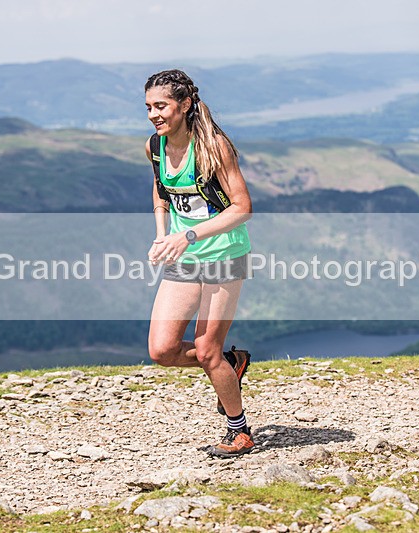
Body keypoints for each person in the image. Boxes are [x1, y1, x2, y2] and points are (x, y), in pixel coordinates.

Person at [144, 69, 255, 457]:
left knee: (206, 349)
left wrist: (187, 235)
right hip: (184, 255)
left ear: (185, 105)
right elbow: (161, 192)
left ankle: (239, 430)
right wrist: (162, 235)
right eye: (149, 108)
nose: (154, 115)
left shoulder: (214, 148)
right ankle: (231, 363)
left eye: (162, 106)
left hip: (224, 254)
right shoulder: (155, 147)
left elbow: (243, 207)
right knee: (162, 350)